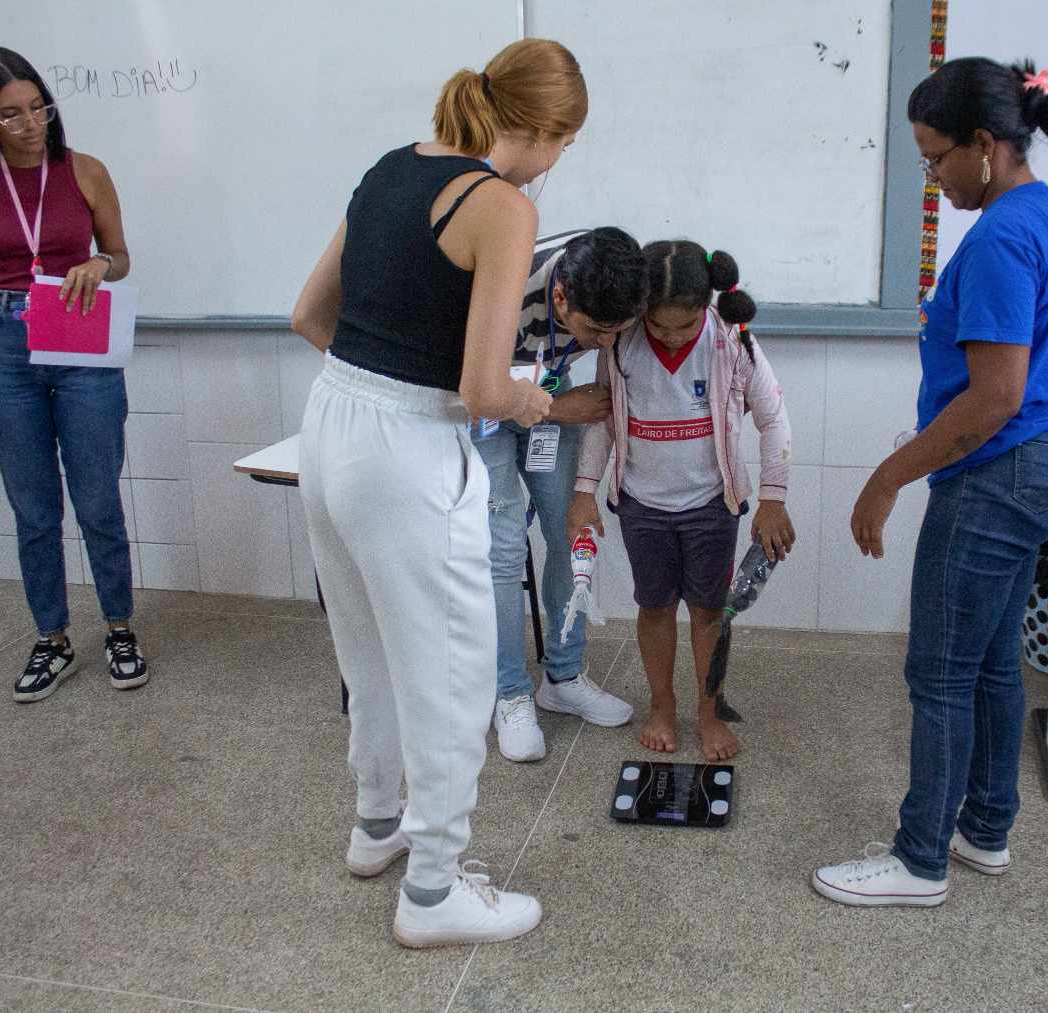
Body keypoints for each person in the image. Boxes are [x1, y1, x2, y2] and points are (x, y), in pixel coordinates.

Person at [289, 39, 583, 947]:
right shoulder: (503, 207)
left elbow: (309, 316)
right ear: (536, 129)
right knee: (454, 677)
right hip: (409, 452)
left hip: (328, 423)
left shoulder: (389, 168)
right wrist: (544, 400)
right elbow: (489, 390)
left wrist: (380, 377)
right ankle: (434, 891)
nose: (558, 162)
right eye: (563, 142)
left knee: (367, 651)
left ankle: (377, 827)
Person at [812, 58, 1048, 907]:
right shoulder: (1040, 212)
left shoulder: (1004, 234)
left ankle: (919, 858)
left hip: (999, 471)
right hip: (1042, 462)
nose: (932, 178)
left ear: (986, 145)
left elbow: (996, 395)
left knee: (938, 671)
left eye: (937, 160)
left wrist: (887, 477)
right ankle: (985, 829)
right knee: (992, 662)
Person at [0, 47, 145, 703]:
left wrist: (98, 267)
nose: (31, 124)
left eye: (39, 107)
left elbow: (119, 256)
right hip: (3, 340)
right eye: (11, 115)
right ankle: (52, 639)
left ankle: (119, 627)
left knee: (97, 500)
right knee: (33, 508)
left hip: (77, 331)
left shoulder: (84, 171)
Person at [568, 242, 794, 763]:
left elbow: (774, 419)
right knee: (654, 607)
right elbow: (603, 420)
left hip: (711, 505)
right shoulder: (620, 342)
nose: (671, 335)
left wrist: (774, 499)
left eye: (684, 325)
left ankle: (709, 712)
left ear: (706, 307)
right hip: (643, 505)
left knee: (710, 611)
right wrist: (584, 493)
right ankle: (663, 705)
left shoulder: (732, 341)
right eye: (660, 325)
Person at [483, 227, 646, 763]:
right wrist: (557, 404)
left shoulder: (611, 287)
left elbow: (588, 380)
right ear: (559, 298)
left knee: (571, 532)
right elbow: (466, 386)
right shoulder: (505, 289)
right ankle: (509, 693)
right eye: (597, 330)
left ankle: (564, 676)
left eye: (615, 330)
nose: (605, 340)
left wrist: (553, 407)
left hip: (548, 404)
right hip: (482, 413)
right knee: (504, 550)